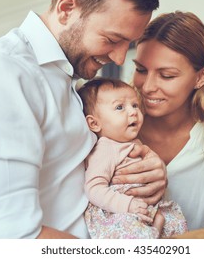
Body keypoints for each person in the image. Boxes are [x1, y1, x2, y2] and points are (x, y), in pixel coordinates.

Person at [0, 0, 165, 239]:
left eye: (128, 43)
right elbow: (9, 237)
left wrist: (147, 168)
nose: (119, 58)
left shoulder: (68, 79)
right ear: (66, 8)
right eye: (112, 39)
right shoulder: (2, 73)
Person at [128, 11, 204, 231]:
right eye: (141, 70)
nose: (148, 86)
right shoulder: (115, 126)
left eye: (167, 75)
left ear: (201, 77)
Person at [78, 77, 188, 238]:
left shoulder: (134, 143)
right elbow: (94, 189)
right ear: (94, 124)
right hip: (119, 211)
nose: (133, 112)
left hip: (144, 208)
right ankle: (153, 233)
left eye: (135, 105)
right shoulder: (106, 148)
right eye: (120, 107)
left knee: (177, 224)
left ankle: (156, 232)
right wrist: (127, 205)